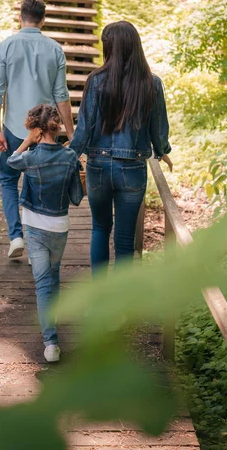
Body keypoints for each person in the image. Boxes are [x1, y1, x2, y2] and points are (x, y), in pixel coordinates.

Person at [70, 20, 172, 272]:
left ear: (109, 48)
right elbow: (158, 128)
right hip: (133, 168)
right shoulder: (151, 83)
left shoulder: (95, 81)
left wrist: (69, 156)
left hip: (99, 167)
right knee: (125, 241)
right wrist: (163, 151)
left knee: (99, 228)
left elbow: (85, 127)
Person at [0, 0, 74, 260]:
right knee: (42, 179)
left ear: (20, 17)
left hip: (15, 128)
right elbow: (61, 94)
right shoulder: (55, 49)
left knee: (8, 180)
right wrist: (70, 132)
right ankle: (42, 239)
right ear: (43, 20)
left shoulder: (6, 47)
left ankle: (16, 236)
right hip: (46, 130)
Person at [7, 104, 83, 362]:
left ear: (36, 129)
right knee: (54, 274)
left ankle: (51, 343)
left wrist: (27, 141)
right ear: (57, 126)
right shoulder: (70, 157)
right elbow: (75, 198)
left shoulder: (31, 157)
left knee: (42, 285)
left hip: (36, 228)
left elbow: (11, 161)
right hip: (59, 227)